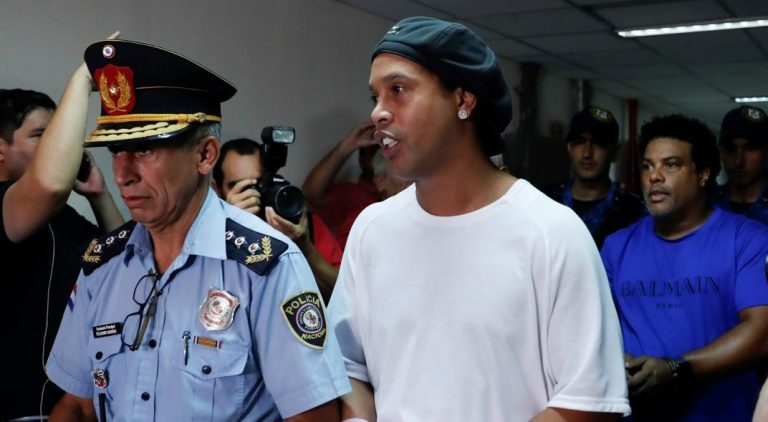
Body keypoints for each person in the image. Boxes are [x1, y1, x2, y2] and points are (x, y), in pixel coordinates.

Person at [329, 16, 630, 421]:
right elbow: (346, 366)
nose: (379, 113)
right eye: (375, 97)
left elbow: (588, 402)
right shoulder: (373, 229)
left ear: (463, 100)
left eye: (398, 90)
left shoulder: (551, 233)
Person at [45, 39, 349, 421]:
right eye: (116, 151)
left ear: (205, 155)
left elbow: (314, 415)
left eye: (144, 149)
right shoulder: (103, 265)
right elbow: (77, 404)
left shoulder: (266, 265)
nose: (122, 174)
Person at [600, 114, 768, 421]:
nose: (654, 176)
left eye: (671, 164)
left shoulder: (747, 240)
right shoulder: (616, 246)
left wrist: (675, 368)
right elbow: (596, 327)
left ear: (703, 174)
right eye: (647, 166)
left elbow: (761, 333)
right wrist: (616, 362)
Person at [0, 85, 123, 418]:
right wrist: (83, 79)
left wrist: (99, 195)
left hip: (68, 409)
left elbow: (125, 262)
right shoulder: (8, 206)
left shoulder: (62, 218)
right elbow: (50, 186)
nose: (59, 145)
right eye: (41, 135)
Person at [212, 137, 343, 301]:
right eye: (240, 186)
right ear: (217, 189)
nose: (251, 194)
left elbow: (344, 292)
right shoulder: (208, 234)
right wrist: (230, 226)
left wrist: (304, 246)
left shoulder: (300, 224)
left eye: (259, 183)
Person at [544, 106, 645, 248]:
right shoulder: (545, 201)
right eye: (579, 142)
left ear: (615, 152)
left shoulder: (633, 212)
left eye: (599, 143)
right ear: (569, 148)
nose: (587, 153)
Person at [302, 122, 379, 249]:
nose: (382, 158)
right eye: (375, 151)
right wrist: (349, 144)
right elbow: (311, 193)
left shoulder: (408, 190)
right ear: (362, 159)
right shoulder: (352, 196)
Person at [714, 105, 768, 225]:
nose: (739, 161)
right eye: (730, 149)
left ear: (766, 152)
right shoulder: (705, 206)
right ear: (721, 153)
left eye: (750, 148)